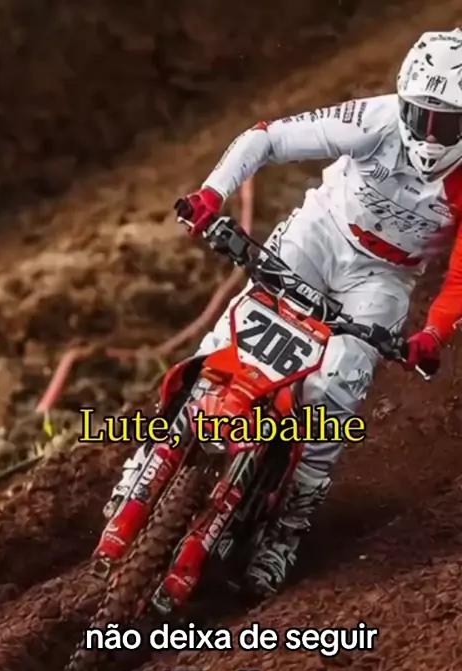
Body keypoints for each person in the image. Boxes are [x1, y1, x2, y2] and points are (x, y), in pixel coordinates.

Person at [106, 28, 462, 598]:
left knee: (337, 383)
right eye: (418, 115)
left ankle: (286, 533)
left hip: (385, 277)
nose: (426, 133)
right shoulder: (374, 120)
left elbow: (460, 278)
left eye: (445, 123)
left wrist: (432, 335)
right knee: (232, 333)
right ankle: (147, 459)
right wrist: (211, 194)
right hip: (321, 232)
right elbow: (268, 138)